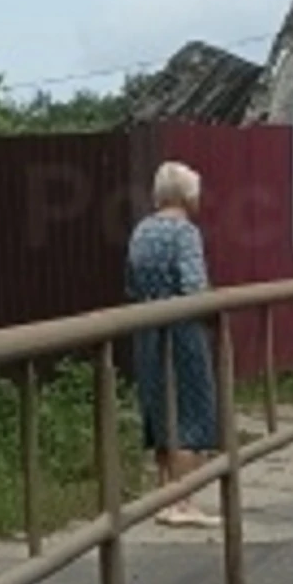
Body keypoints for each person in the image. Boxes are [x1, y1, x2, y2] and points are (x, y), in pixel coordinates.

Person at [126, 160, 223, 529]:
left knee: (162, 411)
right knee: (191, 415)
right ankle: (183, 502)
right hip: (183, 332)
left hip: (148, 330)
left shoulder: (142, 231)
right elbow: (194, 288)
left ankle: (164, 496)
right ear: (186, 195)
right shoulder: (185, 233)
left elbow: (131, 284)